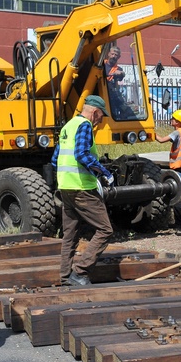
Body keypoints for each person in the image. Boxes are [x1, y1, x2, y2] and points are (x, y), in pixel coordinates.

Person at [51, 95, 114, 286]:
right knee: (105, 229)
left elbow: (55, 159)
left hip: (66, 187)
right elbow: (81, 154)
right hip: (82, 188)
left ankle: (65, 277)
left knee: (70, 234)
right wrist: (103, 173)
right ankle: (80, 271)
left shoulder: (67, 127)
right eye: (101, 115)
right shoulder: (85, 125)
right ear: (94, 112)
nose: (101, 120)